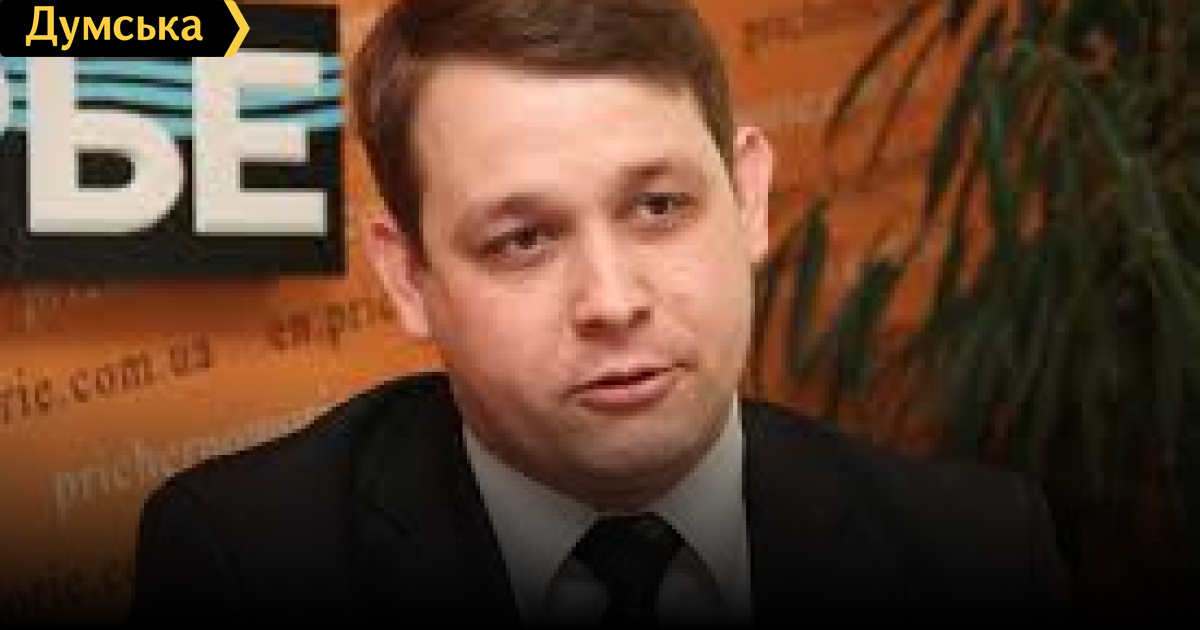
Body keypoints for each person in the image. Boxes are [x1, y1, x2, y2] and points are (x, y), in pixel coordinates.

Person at [128, 0, 1072, 625]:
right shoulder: (244, 563)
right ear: (409, 278)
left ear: (748, 199)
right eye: (521, 240)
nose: (613, 302)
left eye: (658, 207)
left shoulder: (981, 554)